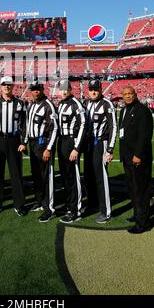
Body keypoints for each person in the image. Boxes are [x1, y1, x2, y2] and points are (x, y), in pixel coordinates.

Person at [0, 76, 27, 217]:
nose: (6, 87)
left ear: (12, 86)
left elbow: (24, 125)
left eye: (9, 84)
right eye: (4, 84)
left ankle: (19, 205)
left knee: (16, 174)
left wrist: (23, 142)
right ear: (1, 86)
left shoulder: (20, 103)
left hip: (14, 140)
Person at [119, 86, 153, 234]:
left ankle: (143, 223)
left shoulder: (142, 111)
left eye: (130, 94)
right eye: (125, 94)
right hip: (127, 158)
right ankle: (137, 215)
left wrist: (138, 154)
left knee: (141, 190)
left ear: (135, 94)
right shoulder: (123, 110)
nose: (127, 96)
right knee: (132, 189)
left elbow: (144, 135)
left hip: (139, 158)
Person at [83, 79, 117, 223]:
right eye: (91, 89)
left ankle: (106, 211)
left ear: (101, 89)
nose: (94, 92)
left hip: (100, 144)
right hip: (88, 144)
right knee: (89, 177)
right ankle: (93, 204)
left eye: (96, 89)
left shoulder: (107, 104)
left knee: (101, 178)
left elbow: (113, 127)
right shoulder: (86, 104)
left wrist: (109, 149)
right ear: (88, 90)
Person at [26, 79, 58, 222]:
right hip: (33, 144)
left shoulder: (48, 105)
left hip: (43, 144)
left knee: (47, 176)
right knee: (37, 176)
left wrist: (49, 148)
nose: (35, 91)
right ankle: (39, 202)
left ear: (42, 89)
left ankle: (49, 208)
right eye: (33, 89)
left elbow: (54, 128)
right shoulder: (32, 105)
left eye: (38, 88)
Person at [58, 80, 86, 223]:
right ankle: (69, 205)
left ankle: (76, 210)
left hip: (71, 142)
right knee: (65, 177)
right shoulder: (61, 104)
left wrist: (76, 148)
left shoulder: (76, 103)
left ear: (70, 89)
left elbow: (83, 125)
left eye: (65, 89)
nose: (63, 92)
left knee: (73, 178)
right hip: (62, 141)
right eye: (61, 89)